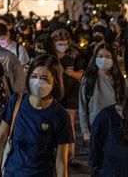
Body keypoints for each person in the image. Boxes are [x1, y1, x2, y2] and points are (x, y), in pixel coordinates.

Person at [0, 54, 73, 176]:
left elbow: (61, 161)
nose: (37, 82)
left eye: (44, 78)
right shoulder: (16, 102)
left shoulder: (60, 115)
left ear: (55, 82)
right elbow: (1, 138)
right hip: (12, 172)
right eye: (34, 76)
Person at [79, 44, 125, 145]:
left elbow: (123, 103)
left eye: (108, 57)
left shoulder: (118, 79)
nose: (104, 59)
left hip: (115, 124)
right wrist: (85, 131)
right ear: (95, 58)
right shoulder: (88, 79)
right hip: (95, 124)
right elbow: (82, 106)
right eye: (100, 56)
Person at [52, 28, 85, 167]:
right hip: (54, 93)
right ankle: (55, 151)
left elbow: (82, 75)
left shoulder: (74, 55)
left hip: (70, 93)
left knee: (69, 123)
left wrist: (71, 74)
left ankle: (71, 154)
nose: (62, 45)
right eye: (59, 43)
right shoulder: (51, 56)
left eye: (64, 43)